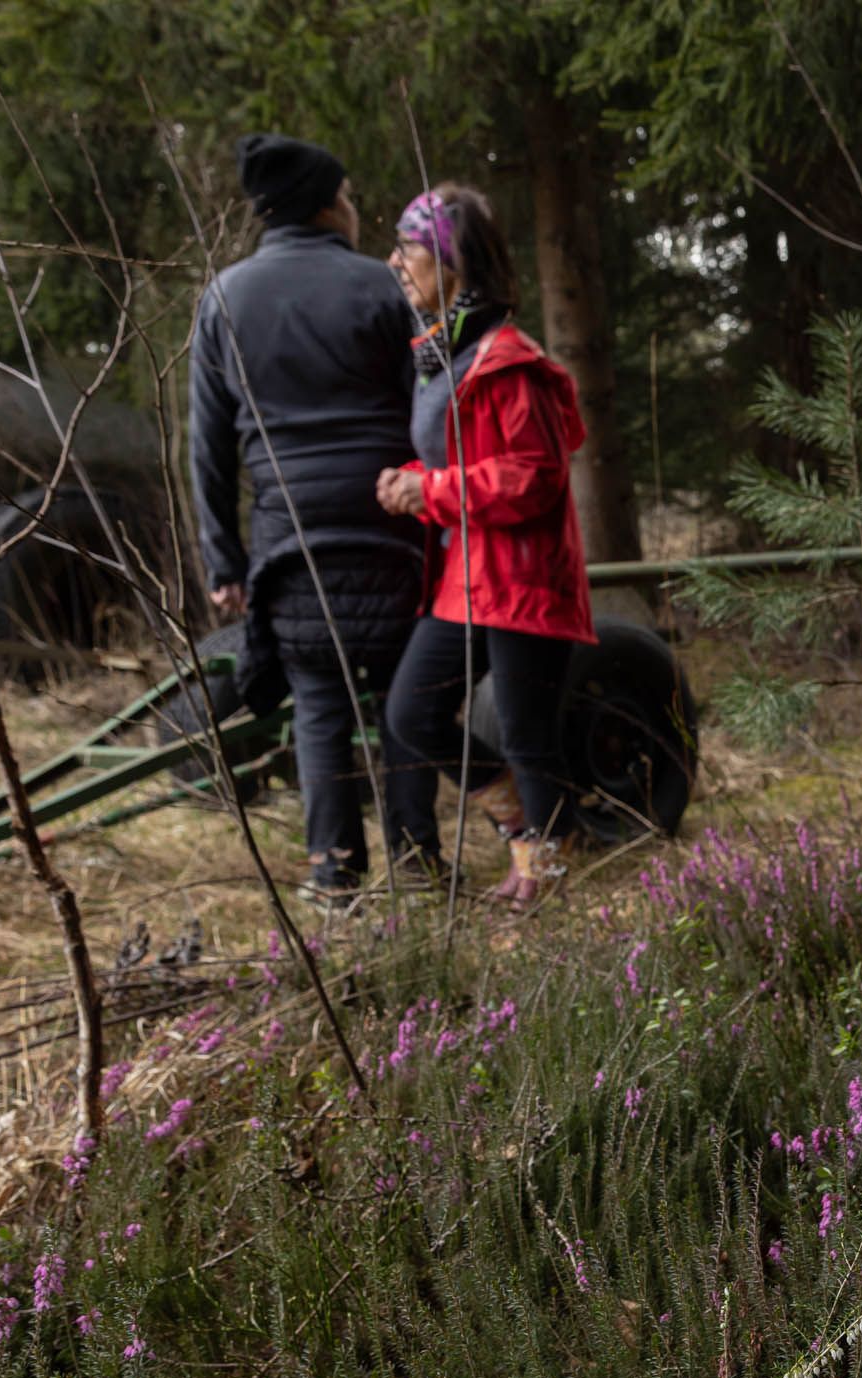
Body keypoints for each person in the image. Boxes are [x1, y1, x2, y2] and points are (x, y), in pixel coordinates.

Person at [189, 133, 434, 906]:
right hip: (392, 527)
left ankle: (334, 872)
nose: (358, 210)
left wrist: (224, 562)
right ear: (328, 205)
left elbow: (209, 444)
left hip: (288, 542)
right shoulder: (383, 288)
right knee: (404, 697)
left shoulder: (223, 297)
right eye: (351, 195)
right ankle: (420, 865)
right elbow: (430, 415)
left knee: (320, 702)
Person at [376, 185, 597, 909]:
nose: (395, 262)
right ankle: (527, 835)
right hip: (466, 581)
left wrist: (432, 491)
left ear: (453, 260)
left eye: (409, 248)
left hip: (524, 580)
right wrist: (413, 481)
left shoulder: (506, 359)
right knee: (412, 713)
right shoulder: (443, 354)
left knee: (530, 738)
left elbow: (533, 476)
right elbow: (463, 456)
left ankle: (549, 881)